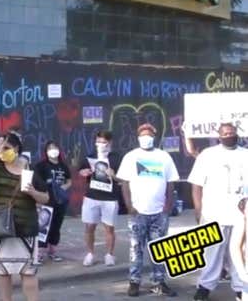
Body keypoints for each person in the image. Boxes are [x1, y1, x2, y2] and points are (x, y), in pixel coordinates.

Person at [0, 132, 49, 301]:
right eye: (0, 149)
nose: (3, 152)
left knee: (28, 271)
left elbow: (45, 197)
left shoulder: (30, 169)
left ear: (17, 148)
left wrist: (33, 192)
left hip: (25, 227)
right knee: (3, 272)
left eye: (7, 148)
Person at [188, 123, 248, 301]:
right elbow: (196, 184)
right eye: (226, 133)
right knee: (212, 252)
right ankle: (205, 286)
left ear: (237, 134)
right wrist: (198, 209)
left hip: (240, 215)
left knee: (239, 253)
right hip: (214, 212)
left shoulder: (245, 154)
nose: (229, 135)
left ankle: (241, 287)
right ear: (219, 136)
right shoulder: (208, 155)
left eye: (232, 133)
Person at [118, 123, 179, 297]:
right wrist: (129, 205)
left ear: (154, 136)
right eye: (143, 135)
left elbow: (170, 183)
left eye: (149, 134)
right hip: (138, 212)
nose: (146, 138)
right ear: (138, 138)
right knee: (135, 249)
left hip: (159, 212)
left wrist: (168, 206)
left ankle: (159, 281)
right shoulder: (131, 157)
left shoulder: (164, 157)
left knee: (159, 249)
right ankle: (134, 282)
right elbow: (125, 183)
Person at [78, 129, 122, 267]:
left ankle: (109, 254)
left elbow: (123, 179)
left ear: (110, 143)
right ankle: (90, 254)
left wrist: (113, 175)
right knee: (89, 227)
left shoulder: (116, 157)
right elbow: (81, 170)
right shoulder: (90, 156)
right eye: (98, 141)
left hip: (110, 197)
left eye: (104, 142)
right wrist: (83, 172)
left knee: (109, 228)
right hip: (92, 196)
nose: (100, 144)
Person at [34, 140, 71, 262]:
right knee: (43, 226)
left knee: (56, 226)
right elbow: (36, 183)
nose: (53, 150)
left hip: (60, 201)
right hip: (46, 201)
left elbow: (69, 181)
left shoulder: (63, 166)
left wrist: (62, 189)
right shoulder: (41, 166)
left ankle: (52, 251)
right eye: (50, 148)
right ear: (46, 151)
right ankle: (39, 253)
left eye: (55, 147)